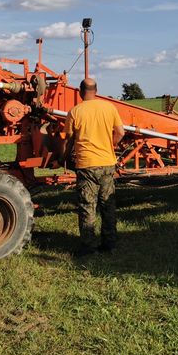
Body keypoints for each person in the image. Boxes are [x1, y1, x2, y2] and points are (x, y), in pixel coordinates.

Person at [62, 78, 125, 256]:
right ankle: (110, 244)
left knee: (87, 206)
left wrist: (63, 158)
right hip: (107, 164)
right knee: (108, 205)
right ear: (96, 90)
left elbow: (68, 140)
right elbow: (120, 132)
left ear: (81, 91)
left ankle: (89, 247)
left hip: (87, 166)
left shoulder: (75, 111)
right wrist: (109, 146)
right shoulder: (109, 108)